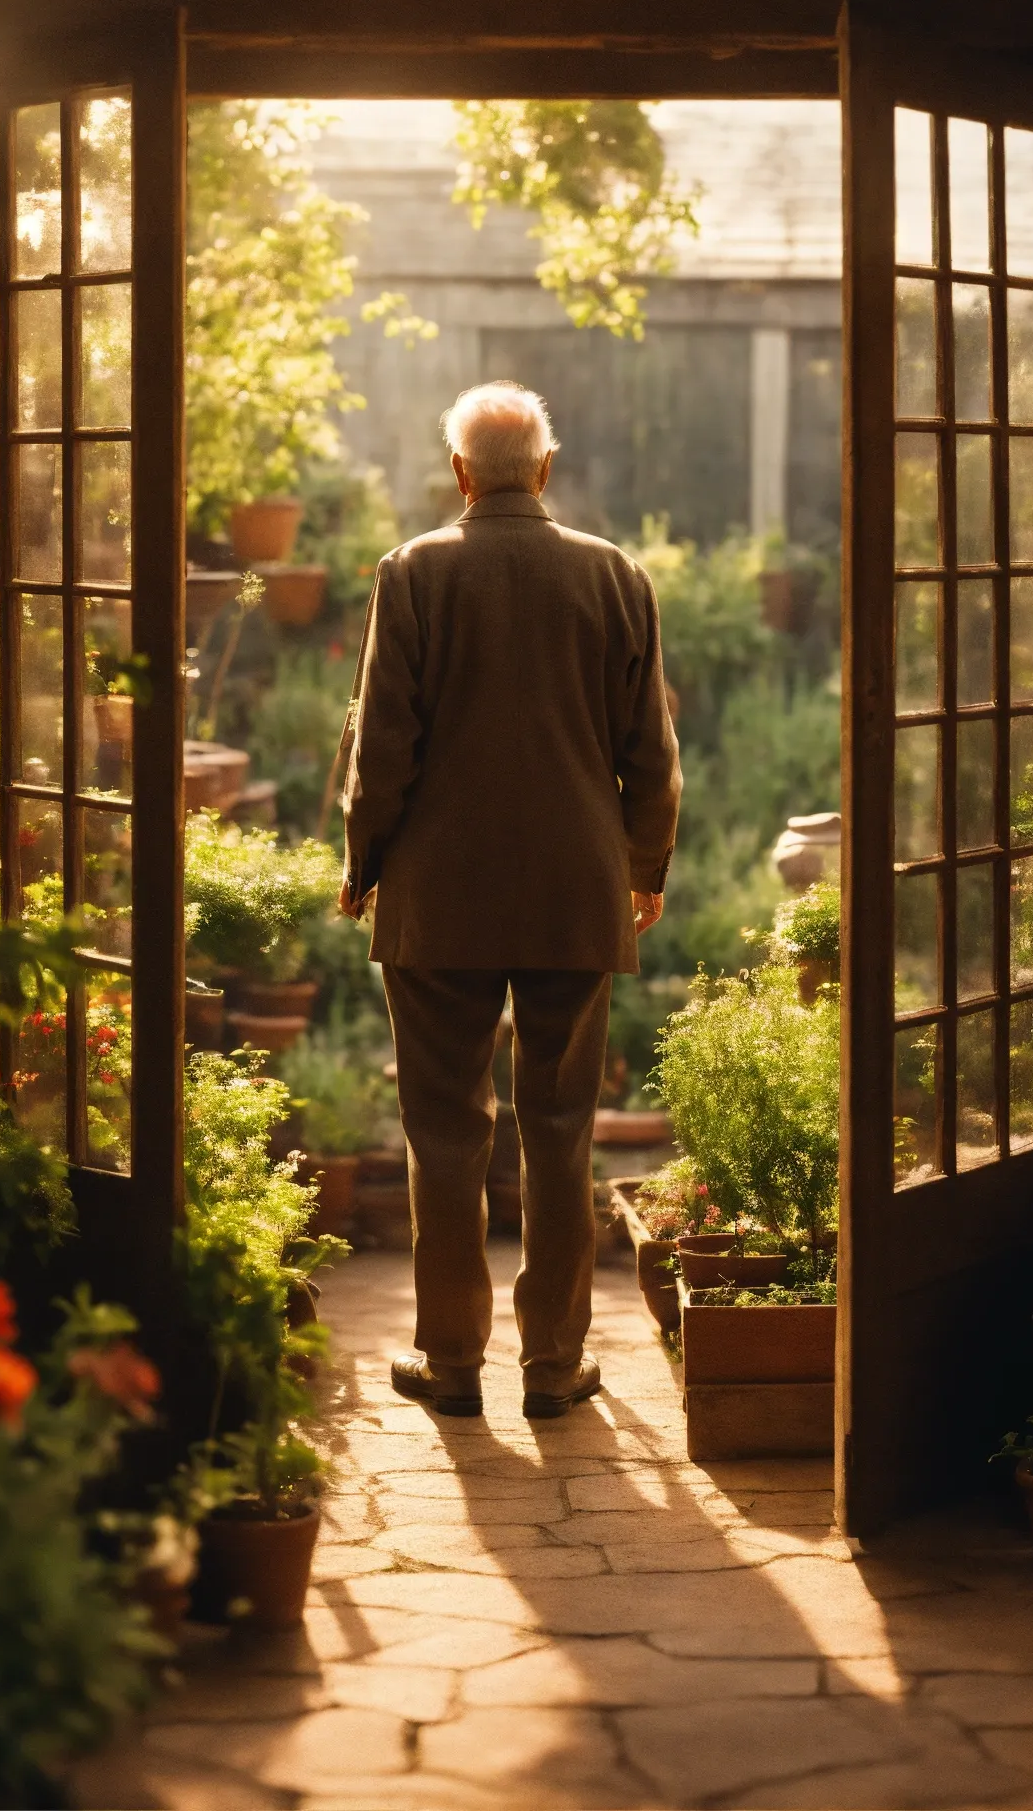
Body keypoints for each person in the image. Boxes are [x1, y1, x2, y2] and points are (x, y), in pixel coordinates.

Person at [336, 380, 681, 1419]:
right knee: (561, 1127)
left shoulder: (413, 573)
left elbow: (381, 749)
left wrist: (362, 861)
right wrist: (644, 867)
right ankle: (551, 1365)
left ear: (459, 474)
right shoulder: (613, 575)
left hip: (437, 898)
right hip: (574, 894)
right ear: (544, 469)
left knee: (444, 1132)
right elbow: (650, 754)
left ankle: (451, 1364)